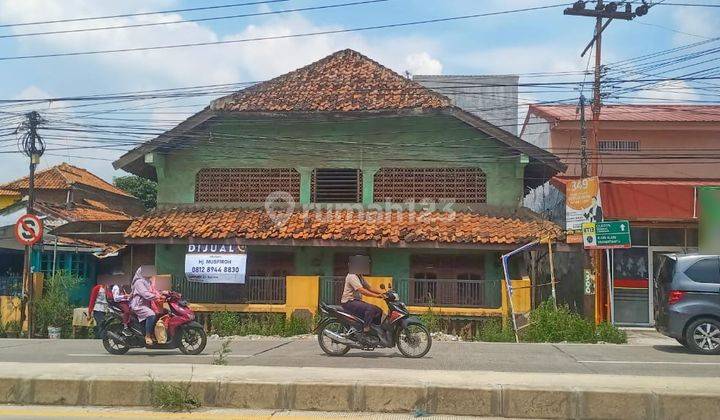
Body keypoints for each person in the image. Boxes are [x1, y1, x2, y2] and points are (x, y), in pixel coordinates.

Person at [129, 267, 160, 345]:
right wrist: (157, 297)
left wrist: (163, 294)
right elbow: (145, 294)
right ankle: (148, 336)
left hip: (146, 305)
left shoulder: (147, 282)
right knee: (151, 315)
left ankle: (152, 333)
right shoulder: (139, 282)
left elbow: (155, 290)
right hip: (138, 305)